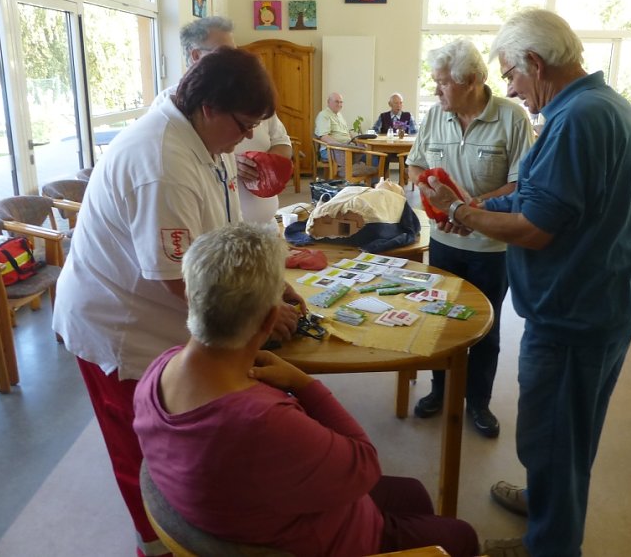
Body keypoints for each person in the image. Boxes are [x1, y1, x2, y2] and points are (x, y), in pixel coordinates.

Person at [52, 48, 304, 557]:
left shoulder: (208, 133)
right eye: (245, 124)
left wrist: (270, 282)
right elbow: (179, 280)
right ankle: (157, 547)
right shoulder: (161, 162)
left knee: (183, 444)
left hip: (163, 321)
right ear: (210, 106)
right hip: (120, 330)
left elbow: (225, 230)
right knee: (142, 451)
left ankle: (189, 525)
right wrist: (260, 316)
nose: (250, 136)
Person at [418, 9, 631, 557]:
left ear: (536, 64)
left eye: (511, 74)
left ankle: (549, 544)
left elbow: (535, 228)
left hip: (576, 310)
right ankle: (547, 501)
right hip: (601, 298)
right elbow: (541, 196)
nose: (509, 86)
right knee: (567, 430)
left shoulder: (576, 119)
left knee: (554, 436)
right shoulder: (601, 104)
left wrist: (464, 213)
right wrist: (481, 204)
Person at [133, 223, 480, 557]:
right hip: (327, 540)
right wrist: (305, 384)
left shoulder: (159, 369)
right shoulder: (262, 421)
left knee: (414, 495)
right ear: (271, 320)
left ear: (193, 298)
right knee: (461, 536)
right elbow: (364, 463)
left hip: (247, 512)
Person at [405, 38, 533, 438]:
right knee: (438, 319)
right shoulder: (434, 117)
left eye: (443, 83)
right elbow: (415, 166)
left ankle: (478, 401)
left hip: (491, 249)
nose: (436, 89)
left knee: (485, 328)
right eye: (435, 81)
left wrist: (471, 209)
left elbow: (520, 184)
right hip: (444, 242)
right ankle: (439, 390)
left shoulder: (512, 119)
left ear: (473, 80)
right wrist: (435, 201)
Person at [157, 16, 292, 226]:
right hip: (216, 240)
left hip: (258, 229)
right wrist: (231, 165)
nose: (248, 134)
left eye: (236, 52)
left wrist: (265, 166)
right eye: (225, 54)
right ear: (196, 56)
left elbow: (283, 142)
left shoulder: (251, 96)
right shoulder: (170, 109)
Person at [314, 92, 372, 177]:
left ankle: (371, 184)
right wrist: (341, 147)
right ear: (328, 102)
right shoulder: (324, 115)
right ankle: (355, 181)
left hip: (346, 147)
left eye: (341, 102)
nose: (339, 104)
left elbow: (347, 133)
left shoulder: (339, 115)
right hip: (332, 150)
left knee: (371, 154)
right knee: (369, 157)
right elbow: (324, 137)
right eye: (336, 101)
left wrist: (357, 141)